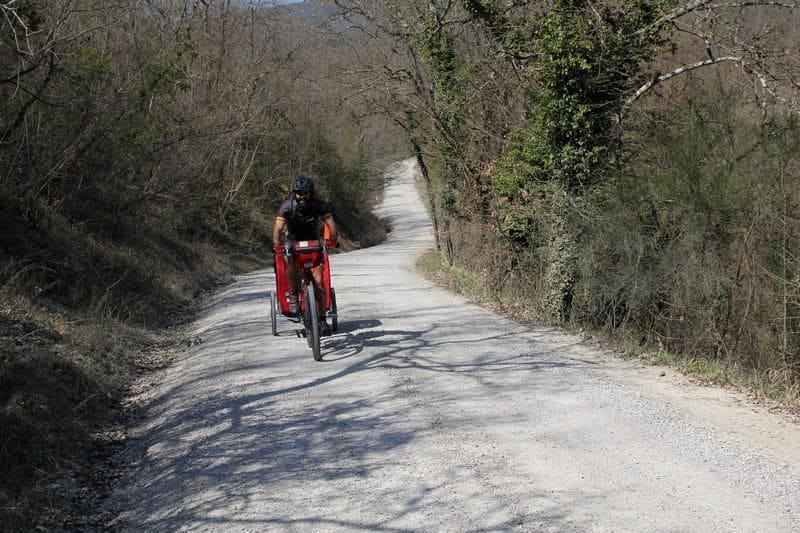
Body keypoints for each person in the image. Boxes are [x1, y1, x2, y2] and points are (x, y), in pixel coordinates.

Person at [273, 175, 338, 333]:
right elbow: (278, 229)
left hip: (314, 242)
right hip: (292, 241)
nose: (302, 196)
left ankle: (322, 320)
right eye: (299, 193)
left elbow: (331, 225)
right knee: (290, 263)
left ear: (311, 193)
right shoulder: (286, 207)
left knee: (320, 284)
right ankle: (294, 294)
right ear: (294, 194)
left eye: (306, 193)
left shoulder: (320, 206)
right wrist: (277, 244)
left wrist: (333, 241)